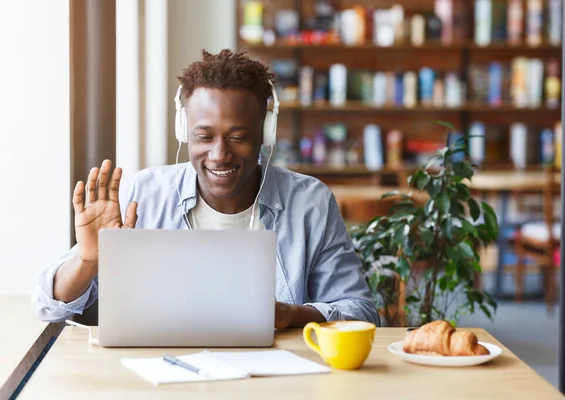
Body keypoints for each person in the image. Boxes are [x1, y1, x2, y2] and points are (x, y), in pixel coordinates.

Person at [32, 49, 379, 329]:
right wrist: (88, 260)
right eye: (204, 136)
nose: (220, 154)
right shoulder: (146, 193)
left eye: (239, 137)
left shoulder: (308, 201)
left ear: (266, 133)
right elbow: (49, 307)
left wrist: (292, 315)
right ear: (184, 131)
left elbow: (362, 311)